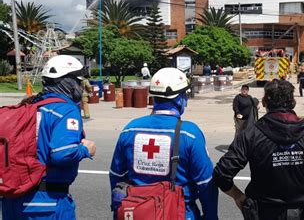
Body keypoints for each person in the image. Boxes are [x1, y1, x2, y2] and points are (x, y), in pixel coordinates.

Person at [214, 79, 304, 219]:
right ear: (293, 102)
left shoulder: (250, 135)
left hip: (262, 213)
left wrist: (239, 197)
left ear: (264, 102)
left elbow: (221, 175)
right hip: (302, 213)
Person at [109, 67, 218, 220]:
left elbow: (116, 175)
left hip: (138, 212)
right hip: (179, 213)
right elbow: (205, 183)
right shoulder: (189, 133)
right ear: (180, 99)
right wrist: (211, 216)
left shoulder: (130, 129)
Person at [2, 55, 96, 220]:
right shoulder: (65, 110)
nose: (81, 87)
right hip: (46, 204)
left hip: (13, 201)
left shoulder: (30, 105)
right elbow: (62, 154)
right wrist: (85, 149)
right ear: (68, 82)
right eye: (79, 82)